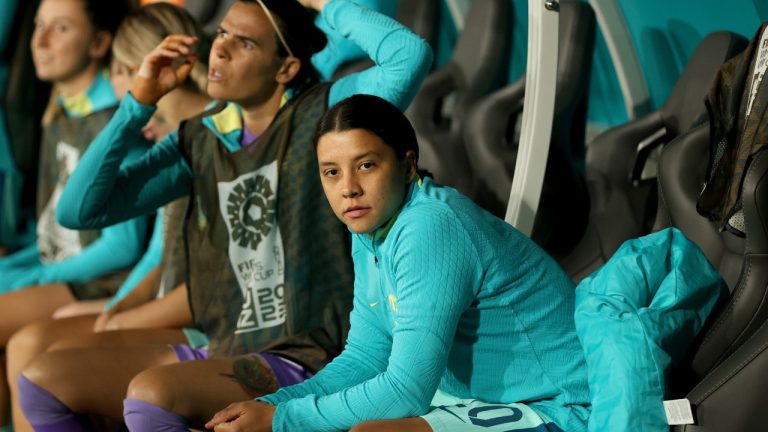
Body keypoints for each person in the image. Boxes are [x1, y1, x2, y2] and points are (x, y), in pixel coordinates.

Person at [18, 0, 432, 431]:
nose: (222, 50)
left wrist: (324, 3)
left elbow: (409, 56)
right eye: (221, 35)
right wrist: (138, 101)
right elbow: (80, 210)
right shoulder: (201, 135)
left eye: (245, 42)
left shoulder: (322, 115)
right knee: (41, 381)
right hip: (226, 343)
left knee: (152, 396)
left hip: (306, 353)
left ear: (286, 68)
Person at [206, 94, 591, 432]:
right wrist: (271, 405)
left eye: (366, 165)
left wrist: (282, 421)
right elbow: (366, 356)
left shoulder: (430, 226)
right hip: (482, 400)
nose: (348, 188)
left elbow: (406, 390)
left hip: (558, 405)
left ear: (407, 166)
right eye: (331, 172)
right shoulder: (369, 227)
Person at [5, 3, 212, 431]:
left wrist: (118, 314)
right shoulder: (173, 141)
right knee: (33, 355)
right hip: (152, 301)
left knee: (34, 355)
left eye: (125, 71)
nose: (123, 87)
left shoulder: (199, 137)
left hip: (190, 317)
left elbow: (132, 250)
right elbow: (154, 255)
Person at [0, 0, 140, 428]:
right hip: (61, 271)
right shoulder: (60, 108)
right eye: (38, 25)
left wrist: (32, 278)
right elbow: (51, 236)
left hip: (95, 281)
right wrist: (14, 268)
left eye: (59, 28)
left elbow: (124, 246)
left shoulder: (113, 120)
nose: (38, 41)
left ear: (100, 43)